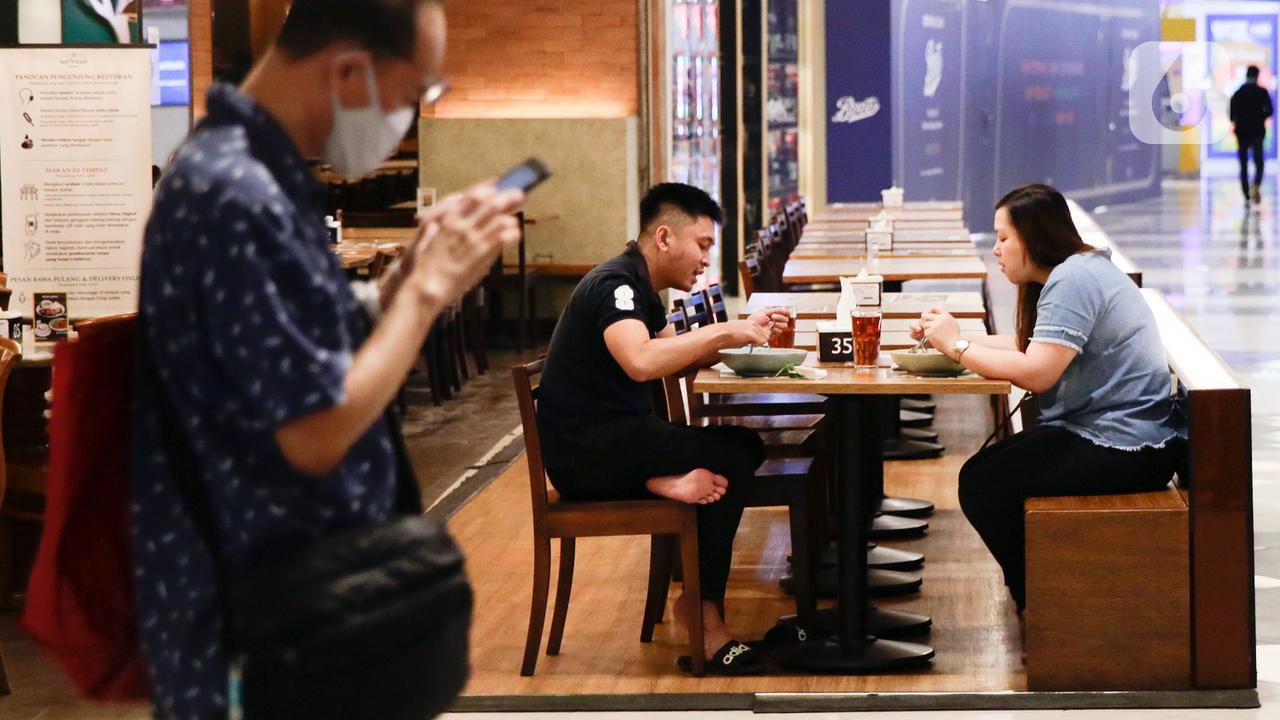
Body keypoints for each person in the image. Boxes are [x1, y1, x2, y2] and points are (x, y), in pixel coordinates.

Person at [130, 1, 525, 717]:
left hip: (308, 608)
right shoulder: (233, 192)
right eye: (413, 93)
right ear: (349, 71)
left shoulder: (256, 173)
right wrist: (425, 295)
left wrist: (404, 280)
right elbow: (314, 430)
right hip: (261, 626)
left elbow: (298, 346)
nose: (408, 115)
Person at [536, 183, 788, 675]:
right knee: (733, 456)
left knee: (742, 444)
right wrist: (723, 331)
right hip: (585, 456)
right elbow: (641, 360)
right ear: (666, 237)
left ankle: (662, 485)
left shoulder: (641, 286)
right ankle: (704, 617)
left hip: (617, 442)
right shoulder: (616, 285)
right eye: (703, 245)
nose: (706, 260)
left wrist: (745, 330)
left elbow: (677, 356)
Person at [912, 183, 1185, 614]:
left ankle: (1045, 606)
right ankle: (1041, 596)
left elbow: (1037, 373)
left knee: (983, 484)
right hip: (1120, 434)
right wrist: (951, 339)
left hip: (1127, 446)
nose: (996, 249)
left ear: (1034, 237)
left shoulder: (1073, 279)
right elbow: (1031, 348)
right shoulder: (1076, 270)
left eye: (1004, 237)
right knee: (983, 472)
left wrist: (957, 347)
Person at [1230, 65, 1274, 205]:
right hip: (1257, 132)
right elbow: (1269, 111)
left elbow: (1231, 114)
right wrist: (1260, 118)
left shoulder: (1238, 93)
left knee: (1243, 164)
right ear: (1257, 76)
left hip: (1242, 132)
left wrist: (1239, 120)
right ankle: (1255, 185)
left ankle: (1246, 193)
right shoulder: (1262, 92)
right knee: (1259, 162)